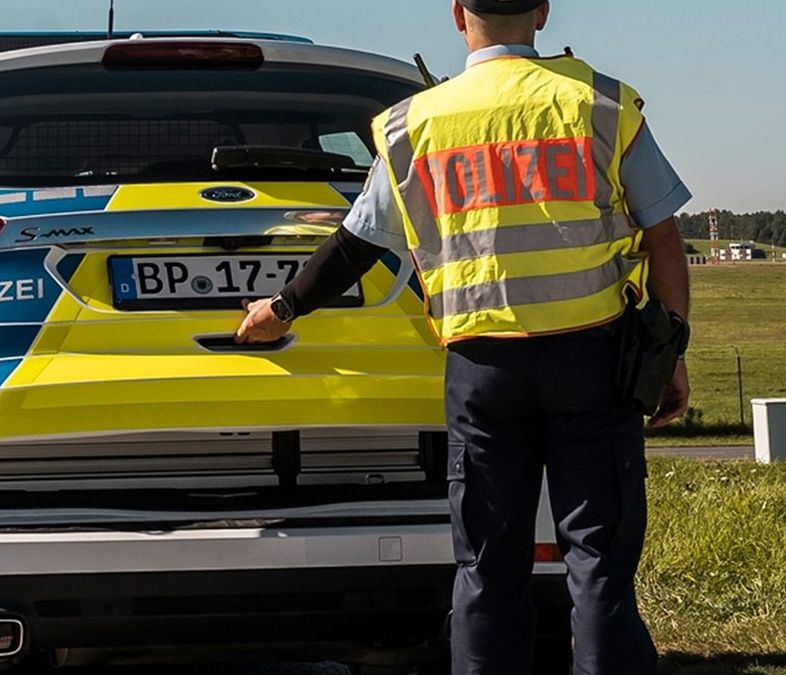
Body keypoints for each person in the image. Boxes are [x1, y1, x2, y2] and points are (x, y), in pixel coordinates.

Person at [236, 1, 692, 672]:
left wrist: (281, 307)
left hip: (483, 372)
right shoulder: (599, 104)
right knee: (597, 563)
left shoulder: (413, 124)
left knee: (487, 563)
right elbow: (662, 237)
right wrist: (670, 348)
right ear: (541, 11)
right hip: (593, 362)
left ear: (457, 15)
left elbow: (355, 246)